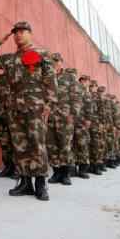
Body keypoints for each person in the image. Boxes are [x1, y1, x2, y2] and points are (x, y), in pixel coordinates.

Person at [0, 21, 58, 201]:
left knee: (37, 144)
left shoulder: (41, 54)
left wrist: (49, 104)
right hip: (14, 107)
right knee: (19, 145)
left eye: (23, 32)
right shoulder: (9, 59)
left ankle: (41, 184)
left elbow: (51, 80)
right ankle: (25, 183)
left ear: (30, 34)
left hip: (36, 107)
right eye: (16, 32)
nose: (19, 35)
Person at [46, 54, 77, 186]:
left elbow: (76, 96)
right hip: (50, 117)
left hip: (65, 117)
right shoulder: (47, 76)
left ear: (61, 63)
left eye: (57, 61)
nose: (55, 64)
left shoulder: (69, 77)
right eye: (53, 62)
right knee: (51, 145)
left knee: (65, 145)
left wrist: (73, 113)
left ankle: (65, 174)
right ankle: (56, 172)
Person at [0, 71, 17, 178]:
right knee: (4, 142)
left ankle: (18, 169)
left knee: (16, 142)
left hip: (14, 116)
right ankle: (8, 167)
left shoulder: (18, 75)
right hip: (0, 115)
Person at [73, 74, 93, 179]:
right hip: (74, 121)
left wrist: (88, 119)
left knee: (83, 144)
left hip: (82, 122)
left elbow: (89, 107)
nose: (87, 83)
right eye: (86, 81)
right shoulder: (78, 90)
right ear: (82, 81)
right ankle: (74, 169)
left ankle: (83, 169)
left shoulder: (86, 92)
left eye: (88, 81)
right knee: (74, 145)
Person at [88, 80, 105, 175]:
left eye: (94, 86)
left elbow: (101, 111)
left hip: (96, 123)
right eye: (91, 86)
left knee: (96, 145)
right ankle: (90, 166)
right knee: (89, 144)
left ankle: (97, 166)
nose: (92, 87)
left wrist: (101, 123)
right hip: (87, 123)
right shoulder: (86, 94)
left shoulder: (98, 97)